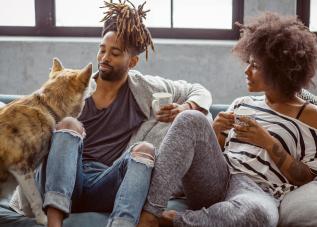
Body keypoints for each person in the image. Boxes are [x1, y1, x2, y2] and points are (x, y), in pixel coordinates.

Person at [9, 1, 211, 227]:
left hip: (107, 184)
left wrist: (186, 108)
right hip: (61, 179)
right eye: (102, 49)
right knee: (68, 124)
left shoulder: (144, 89)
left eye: (114, 53)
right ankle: (54, 224)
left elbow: (199, 91)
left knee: (144, 150)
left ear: (132, 62)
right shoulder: (75, 87)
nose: (104, 58)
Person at [138, 12, 317, 227]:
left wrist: (267, 141)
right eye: (248, 63)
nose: (247, 71)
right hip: (219, 177)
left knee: (259, 214)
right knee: (190, 117)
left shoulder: (312, 115)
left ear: (280, 70)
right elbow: (214, 155)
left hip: (257, 191)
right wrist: (216, 132)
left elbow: (307, 178)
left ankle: (176, 222)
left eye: (255, 66)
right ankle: (149, 214)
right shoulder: (241, 103)